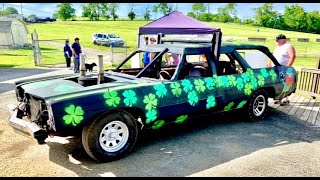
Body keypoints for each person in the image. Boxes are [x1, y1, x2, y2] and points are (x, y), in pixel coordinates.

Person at [269, 34, 296, 105]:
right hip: (276, 69)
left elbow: (292, 56)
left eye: (278, 40)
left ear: (283, 40)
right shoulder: (277, 47)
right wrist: (269, 65)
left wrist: (288, 66)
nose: (276, 41)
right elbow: (273, 57)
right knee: (279, 83)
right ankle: (279, 99)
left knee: (287, 84)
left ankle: (286, 99)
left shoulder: (289, 46)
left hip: (286, 69)